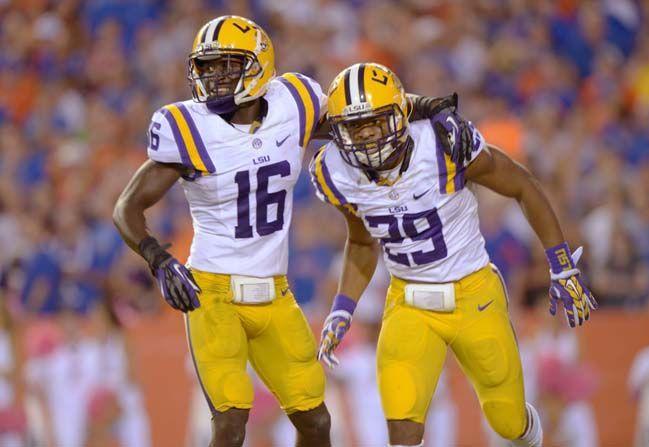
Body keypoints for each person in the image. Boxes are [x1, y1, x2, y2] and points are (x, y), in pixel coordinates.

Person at [112, 15, 470, 447]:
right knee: (230, 420)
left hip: (274, 291)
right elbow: (127, 208)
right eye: (207, 67)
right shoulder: (186, 126)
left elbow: (361, 110)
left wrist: (431, 108)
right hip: (213, 291)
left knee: (316, 422)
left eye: (227, 65)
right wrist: (158, 257)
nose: (215, 78)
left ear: (259, 63)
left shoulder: (294, 101)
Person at [311, 62, 598, 447]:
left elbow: (522, 185)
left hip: (473, 293)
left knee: (507, 421)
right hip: (408, 300)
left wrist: (561, 266)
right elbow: (363, 243)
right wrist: (343, 308)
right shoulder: (334, 170)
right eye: (354, 128)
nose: (365, 138)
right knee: (401, 426)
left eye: (375, 123)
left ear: (399, 116)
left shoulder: (442, 144)